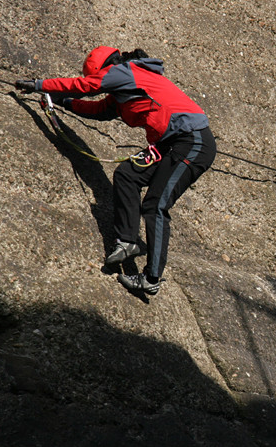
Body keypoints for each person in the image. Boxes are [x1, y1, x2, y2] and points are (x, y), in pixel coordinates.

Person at [16, 46, 216, 296]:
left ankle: (151, 278)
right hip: (170, 143)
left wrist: (40, 84)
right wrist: (62, 101)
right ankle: (127, 242)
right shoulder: (123, 90)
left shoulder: (124, 71)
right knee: (127, 175)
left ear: (105, 69)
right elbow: (99, 110)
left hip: (192, 142)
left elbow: (85, 85)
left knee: (155, 205)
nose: (99, 80)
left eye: (99, 76)